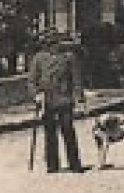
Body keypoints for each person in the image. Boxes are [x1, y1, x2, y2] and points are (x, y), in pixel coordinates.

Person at [28, 31, 87, 174]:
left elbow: (76, 80)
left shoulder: (69, 58)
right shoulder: (38, 59)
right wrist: (36, 95)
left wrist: (79, 98)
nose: (54, 46)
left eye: (56, 43)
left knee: (67, 130)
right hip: (47, 100)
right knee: (50, 133)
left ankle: (74, 163)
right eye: (50, 43)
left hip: (65, 99)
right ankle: (52, 165)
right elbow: (32, 81)